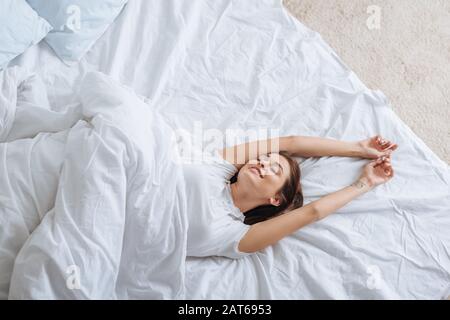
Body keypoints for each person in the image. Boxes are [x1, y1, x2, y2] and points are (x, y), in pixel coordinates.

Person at [182, 135, 397, 259]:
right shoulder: (217, 166)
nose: (262, 163)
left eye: (275, 170)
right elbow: (289, 143)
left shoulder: (236, 235)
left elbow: (313, 212)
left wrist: (365, 183)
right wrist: (358, 148)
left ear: (275, 199)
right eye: (264, 158)